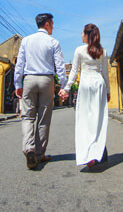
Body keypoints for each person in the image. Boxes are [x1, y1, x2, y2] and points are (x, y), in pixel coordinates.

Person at [14, 13, 67, 170]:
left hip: (29, 79)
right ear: (47, 24)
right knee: (44, 118)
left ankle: (28, 148)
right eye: (52, 23)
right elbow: (60, 66)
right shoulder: (53, 42)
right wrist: (63, 86)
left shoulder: (26, 41)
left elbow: (20, 64)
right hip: (46, 80)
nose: (53, 26)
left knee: (27, 116)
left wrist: (18, 83)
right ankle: (39, 154)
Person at [59, 23, 110, 168]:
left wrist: (67, 89)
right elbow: (105, 74)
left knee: (84, 120)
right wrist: (108, 91)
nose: (81, 35)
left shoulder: (79, 50)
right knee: (98, 120)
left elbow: (74, 72)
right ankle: (96, 151)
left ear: (87, 35)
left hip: (86, 84)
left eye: (82, 33)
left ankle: (88, 154)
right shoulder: (103, 52)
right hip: (99, 84)